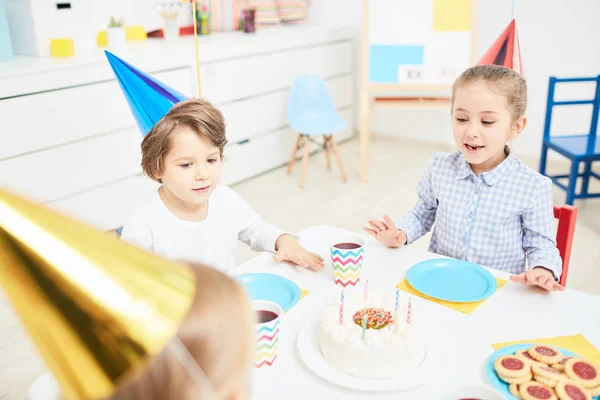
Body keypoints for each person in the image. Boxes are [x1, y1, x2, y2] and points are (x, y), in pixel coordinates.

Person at [364, 65, 563, 292]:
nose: (471, 131)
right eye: (461, 118)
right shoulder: (439, 166)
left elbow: (541, 245)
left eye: (487, 122)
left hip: (495, 293)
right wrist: (400, 233)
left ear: (516, 127)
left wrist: (543, 270)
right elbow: (421, 215)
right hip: (440, 281)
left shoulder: (533, 186)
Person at [121, 99, 324, 272]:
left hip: (226, 303)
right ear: (156, 168)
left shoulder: (225, 199)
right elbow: (130, 280)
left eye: (211, 160)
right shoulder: (143, 222)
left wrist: (283, 240)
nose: (203, 174)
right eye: (186, 164)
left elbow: (256, 229)